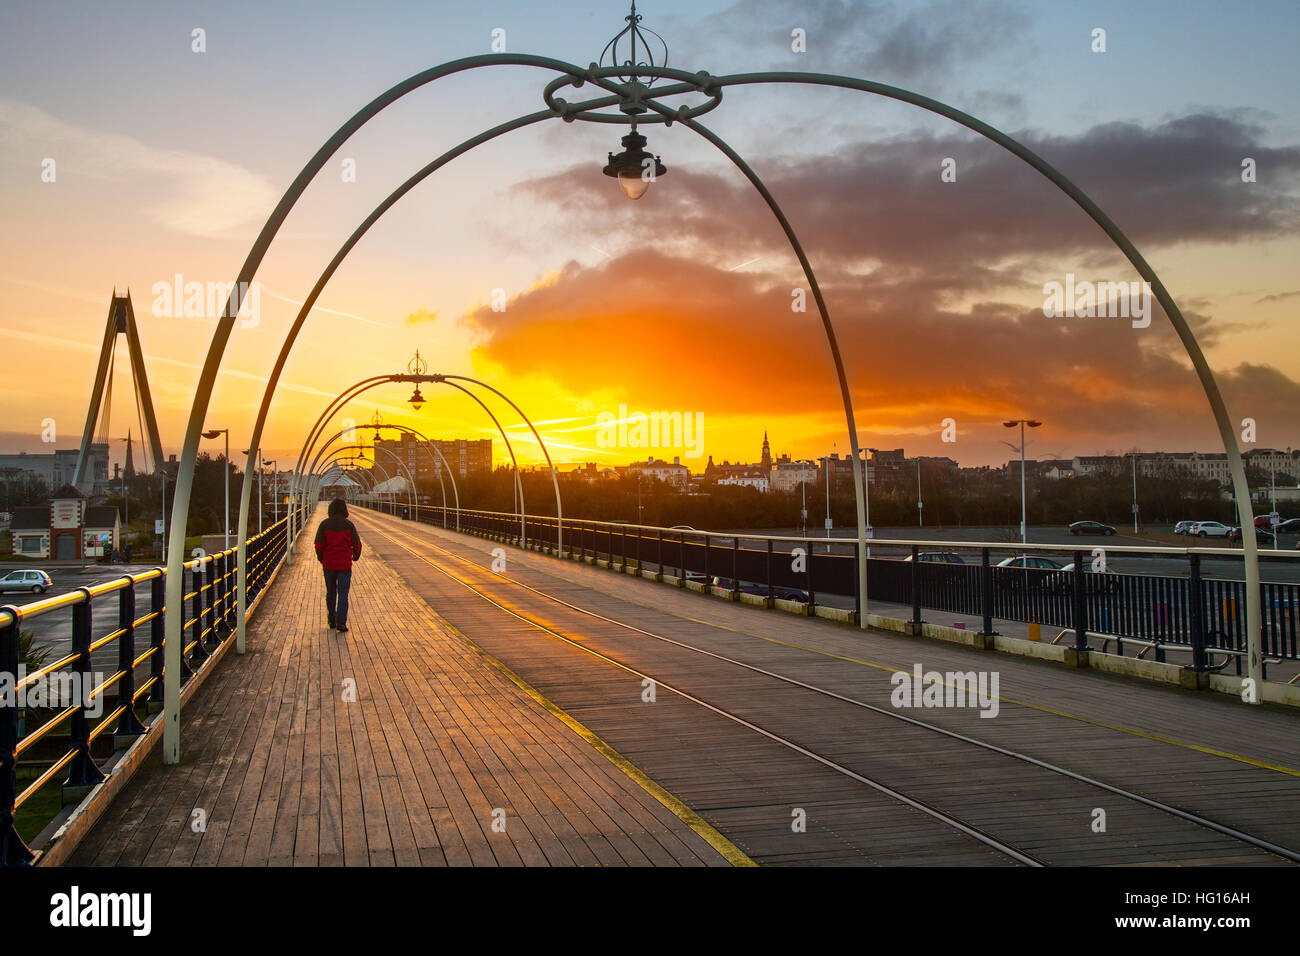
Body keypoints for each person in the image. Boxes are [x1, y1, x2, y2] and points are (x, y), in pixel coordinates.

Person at [314, 497, 362, 633]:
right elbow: (357, 544)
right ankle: (341, 622)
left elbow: (318, 544)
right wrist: (355, 556)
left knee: (331, 592)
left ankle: (331, 619)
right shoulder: (348, 525)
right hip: (344, 565)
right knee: (343, 593)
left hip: (329, 564)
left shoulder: (324, 524)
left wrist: (321, 558)